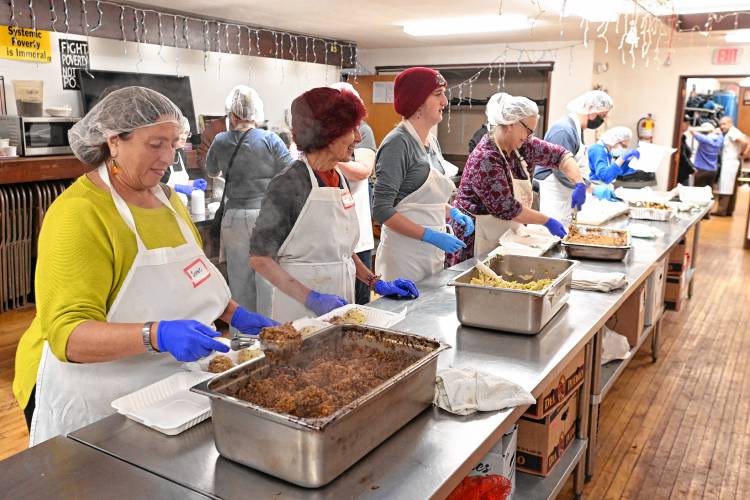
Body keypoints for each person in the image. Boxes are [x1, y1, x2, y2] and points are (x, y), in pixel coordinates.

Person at [13, 87, 276, 446]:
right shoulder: (79, 214)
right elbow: (68, 336)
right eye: (155, 144)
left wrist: (233, 314)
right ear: (114, 142)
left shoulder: (167, 201)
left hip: (160, 387)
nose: (168, 157)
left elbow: (189, 281)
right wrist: (156, 335)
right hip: (88, 393)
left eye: (174, 143)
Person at [249, 87, 419, 323]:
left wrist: (375, 282)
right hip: (298, 309)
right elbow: (260, 259)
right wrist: (311, 298)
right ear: (326, 132)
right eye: (351, 130)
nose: (358, 138)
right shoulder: (288, 183)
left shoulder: (338, 178)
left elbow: (343, 250)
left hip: (341, 299)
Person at [448, 93, 586, 265]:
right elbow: (507, 208)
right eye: (528, 130)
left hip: (505, 234)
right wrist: (547, 220)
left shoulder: (523, 146)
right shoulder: (486, 157)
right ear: (511, 123)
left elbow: (560, 155)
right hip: (476, 238)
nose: (529, 136)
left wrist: (579, 182)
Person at [372, 66, 474, 283]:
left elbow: (420, 201)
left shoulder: (431, 141)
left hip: (430, 254)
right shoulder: (398, 143)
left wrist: (452, 212)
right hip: (403, 256)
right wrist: (429, 235)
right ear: (416, 101)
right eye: (438, 95)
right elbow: (382, 210)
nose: (445, 102)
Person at [206, 86, 293, 315]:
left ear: (232, 115)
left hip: (234, 217)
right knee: (268, 281)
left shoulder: (220, 140)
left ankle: (243, 341)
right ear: (256, 112)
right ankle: (270, 336)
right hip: (266, 216)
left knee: (238, 280)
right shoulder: (270, 139)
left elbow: (211, 170)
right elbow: (290, 174)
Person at [329, 82, 378, 305]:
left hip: (357, 235)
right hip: (327, 252)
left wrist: (333, 161)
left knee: (359, 305)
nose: (357, 137)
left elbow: (363, 170)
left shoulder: (363, 131)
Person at [535, 90, 614, 225]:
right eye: (603, 116)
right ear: (592, 112)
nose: (603, 120)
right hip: (554, 192)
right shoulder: (563, 130)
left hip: (564, 193)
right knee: (555, 234)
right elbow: (561, 169)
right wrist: (589, 188)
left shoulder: (577, 130)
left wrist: (587, 185)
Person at [162, 117, 208, 198]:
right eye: (181, 132)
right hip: (165, 205)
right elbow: (155, 186)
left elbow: (182, 182)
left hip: (181, 205)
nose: (184, 137)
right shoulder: (161, 156)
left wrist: (193, 183)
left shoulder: (182, 154)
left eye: (186, 133)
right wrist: (177, 188)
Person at [715, 116, 750, 216]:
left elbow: (745, 142)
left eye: (724, 124)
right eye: (720, 124)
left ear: (730, 123)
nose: (722, 126)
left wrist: (744, 153)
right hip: (732, 162)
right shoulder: (733, 131)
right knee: (731, 187)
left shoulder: (732, 132)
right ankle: (728, 210)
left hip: (730, 162)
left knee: (725, 186)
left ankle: (721, 211)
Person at [687, 122, 723, 188]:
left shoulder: (704, 139)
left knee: (698, 191)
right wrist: (715, 131)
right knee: (708, 192)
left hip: (701, 170)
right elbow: (720, 133)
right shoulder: (719, 140)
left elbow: (691, 130)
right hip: (713, 171)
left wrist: (704, 129)